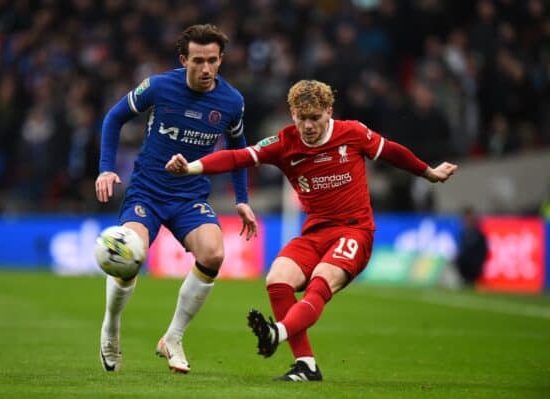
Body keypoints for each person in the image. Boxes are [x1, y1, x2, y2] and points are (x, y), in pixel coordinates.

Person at [165, 79, 457, 381]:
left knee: (322, 279)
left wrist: (428, 172)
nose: (308, 126)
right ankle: (306, 366)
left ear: (329, 111)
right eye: (301, 118)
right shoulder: (284, 142)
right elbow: (239, 157)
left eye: (315, 118)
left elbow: (392, 152)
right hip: (315, 232)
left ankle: (276, 333)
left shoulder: (353, 133)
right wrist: (191, 167)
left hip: (354, 232)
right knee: (277, 279)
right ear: (292, 113)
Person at [95, 24, 258, 374]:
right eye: (197, 60)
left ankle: (173, 337)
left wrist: (242, 198)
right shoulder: (158, 86)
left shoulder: (231, 102)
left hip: (189, 198)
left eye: (212, 61)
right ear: (183, 59)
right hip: (147, 193)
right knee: (129, 256)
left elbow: (238, 151)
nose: (205, 69)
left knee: (214, 253)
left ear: (221, 60)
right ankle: (111, 327)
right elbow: (114, 118)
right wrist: (106, 168)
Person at [455, 207, 488, 286]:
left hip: (474, 266)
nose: (466, 221)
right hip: (464, 266)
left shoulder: (479, 235)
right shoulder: (463, 234)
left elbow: (483, 252)